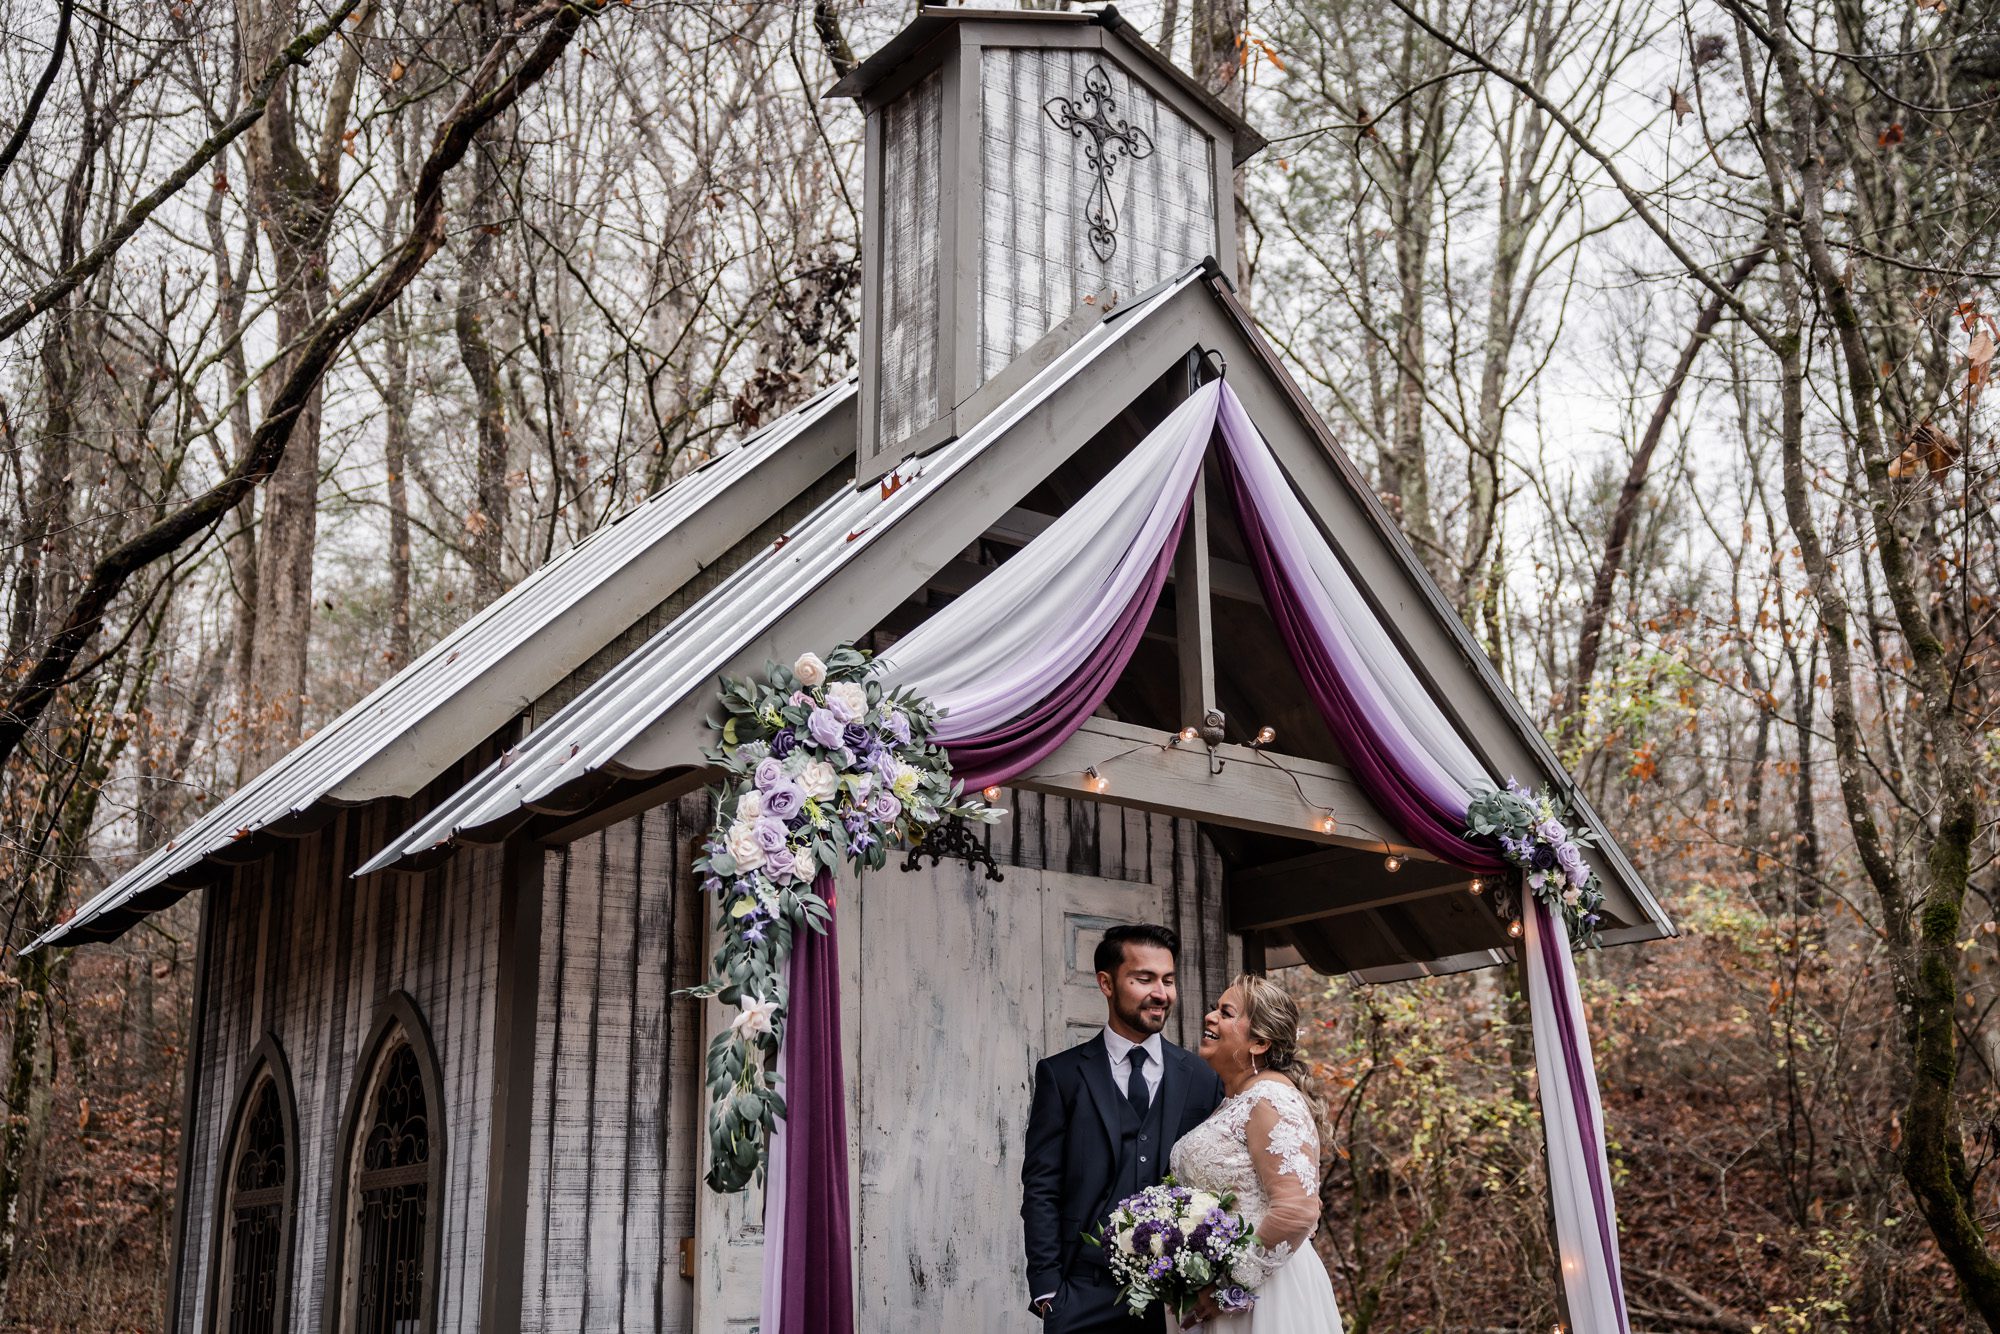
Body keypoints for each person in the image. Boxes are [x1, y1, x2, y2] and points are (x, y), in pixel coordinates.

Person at [1022, 923, 1226, 1331]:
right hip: (1083, 1292)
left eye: (1168, 980)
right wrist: (1048, 1292)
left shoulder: (1203, 1078)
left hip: (1175, 1294)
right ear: (1107, 983)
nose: (1161, 993)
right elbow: (1042, 1185)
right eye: (1143, 978)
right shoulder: (1061, 1075)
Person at [1170, 974, 1344, 1331]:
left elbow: (1297, 1211)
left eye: (1226, 1012)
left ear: (1260, 1042)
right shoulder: (1235, 1101)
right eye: (1214, 1008)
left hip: (1264, 1298)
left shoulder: (1270, 1099)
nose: (1210, 1017)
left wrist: (1227, 1288)